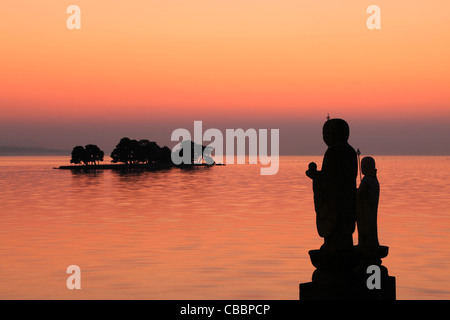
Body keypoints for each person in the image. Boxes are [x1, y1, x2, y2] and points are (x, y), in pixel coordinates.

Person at [306, 119, 357, 251]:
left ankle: (334, 245)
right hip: (347, 200)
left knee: (335, 230)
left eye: (327, 133)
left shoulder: (333, 152)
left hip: (335, 201)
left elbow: (329, 179)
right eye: (323, 133)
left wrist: (315, 176)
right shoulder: (350, 151)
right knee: (344, 232)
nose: (324, 136)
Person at [356, 156, 380, 247]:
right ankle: (370, 242)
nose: (362, 168)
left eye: (363, 166)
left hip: (365, 211)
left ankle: (365, 244)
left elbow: (359, 194)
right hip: (370, 209)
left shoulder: (366, 180)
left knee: (365, 228)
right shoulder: (374, 180)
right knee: (371, 227)